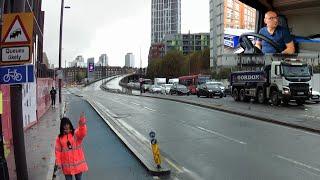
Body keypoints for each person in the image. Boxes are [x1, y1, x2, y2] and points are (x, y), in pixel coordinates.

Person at [55, 112, 88, 180]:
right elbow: (58, 151)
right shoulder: (59, 138)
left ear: (70, 125)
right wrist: (58, 162)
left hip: (77, 165)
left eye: (68, 127)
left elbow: (82, 133)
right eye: (65, 128)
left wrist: (82, 123)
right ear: (62, 128)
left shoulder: (75, 134)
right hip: (67, 166)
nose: (67, 129)